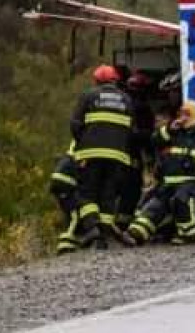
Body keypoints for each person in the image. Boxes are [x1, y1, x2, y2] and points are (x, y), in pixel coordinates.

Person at [127, 100, 195, 245]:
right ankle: (136, 233)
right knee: (155, 204)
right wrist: (170, 129)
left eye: (187, 114)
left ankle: (188, 233)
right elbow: (155, 141)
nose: (183, 117)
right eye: (181, 113)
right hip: (170, 181)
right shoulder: (175, 130)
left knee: (181, 199)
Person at [66, 65, 136, 250]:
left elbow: (75, 123)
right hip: (117, 156)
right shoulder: (127, 99)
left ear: (96, 81)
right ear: (115, 80)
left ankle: (91, 228)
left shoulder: (88, 96)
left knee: (86, 192)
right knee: (108, 194)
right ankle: (103, 236)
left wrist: (82, 142)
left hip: (90, 153)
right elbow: (131, 130)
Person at [117, 71, 157, 232]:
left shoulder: (120, 103)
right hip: (130, 154)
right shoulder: (142, 108)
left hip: (116, 153)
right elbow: (144, 136)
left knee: (114, 188)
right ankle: (124, 222)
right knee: (131, 187)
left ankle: (115, 222)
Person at [50, 144, 82, 254]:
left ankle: (70, 242)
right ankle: (65, 243)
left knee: (68, 213)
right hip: (65, 184)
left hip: (57, 184)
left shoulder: (68, 156)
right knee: (75, 216)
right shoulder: (79, 156)